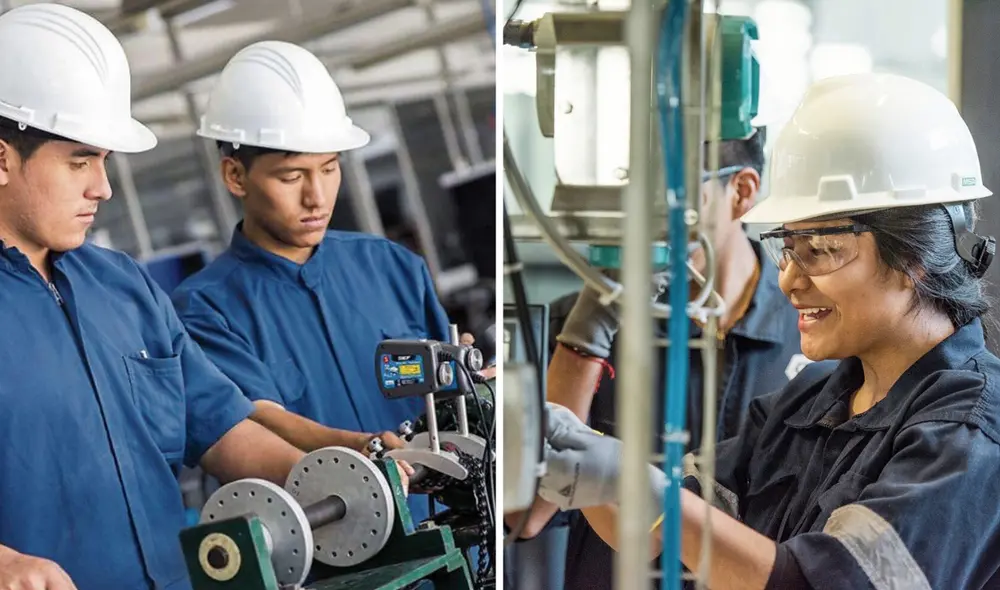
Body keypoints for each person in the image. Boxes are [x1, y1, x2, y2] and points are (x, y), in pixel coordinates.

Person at [0, 6, 414, 590]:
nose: (103, 187)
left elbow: (220, 428)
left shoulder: (125, 286)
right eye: (79, 161)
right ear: (2, 158)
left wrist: (337, 478)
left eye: (104, 161)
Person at [538, 72, 1000, 589]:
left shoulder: (968, 433)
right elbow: (654, 533)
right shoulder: (810, 401)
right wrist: (571, 449)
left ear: (914, 254)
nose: (789, 281)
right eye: (788, 248)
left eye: (820, 251)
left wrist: (650, 497)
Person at [506, 128, 821, 587]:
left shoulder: (815, 333)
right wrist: (587, 335)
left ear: (742, 192)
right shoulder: (573, 327)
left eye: (670, 191)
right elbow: (525, 515)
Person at [170, 41, 460, 524]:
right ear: (235, 176)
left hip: (450, 536)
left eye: (329, 168)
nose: (317, 196)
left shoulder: (392, 266)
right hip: (333, 554)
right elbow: (255, 420)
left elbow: (449, 395)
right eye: (291, 176)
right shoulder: (204, 309)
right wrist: (360, 450)